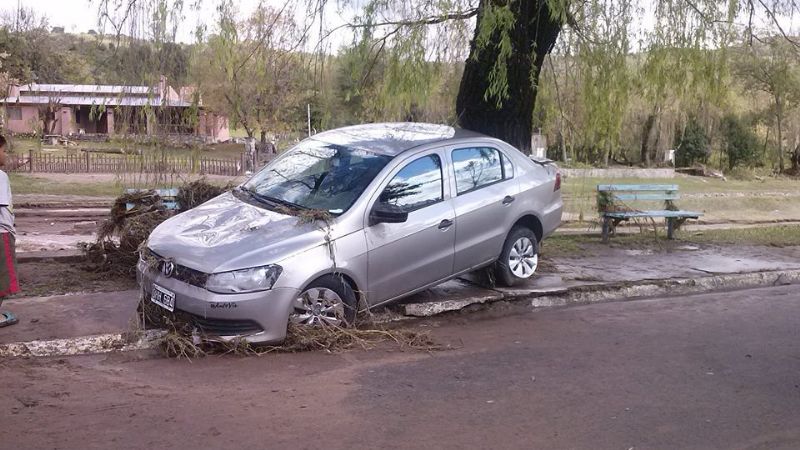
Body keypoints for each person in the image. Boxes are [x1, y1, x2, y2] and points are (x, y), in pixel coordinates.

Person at [0, 134, 19, 327]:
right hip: (2, 234)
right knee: (2, 276)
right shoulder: (1, 176)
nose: (6, 155)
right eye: (4, 151)